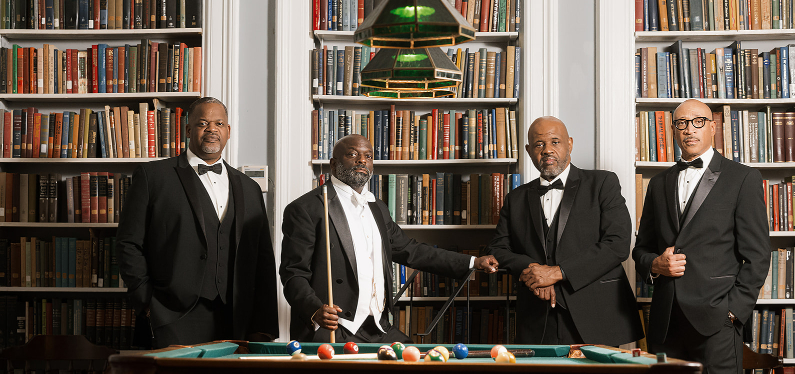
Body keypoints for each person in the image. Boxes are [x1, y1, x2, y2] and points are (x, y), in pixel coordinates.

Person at [280, 133, 499, 343]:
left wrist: (473, 262)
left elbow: (412, 250)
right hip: (334, 328)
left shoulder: (378, 208)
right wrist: (314, 310)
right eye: (353, 154)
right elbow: (293, 273)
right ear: (333, 163)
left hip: (378, 326)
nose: (362, 160)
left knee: (413, 360)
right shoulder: (306, 208)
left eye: (368, 156)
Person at [117, 97, 279, 348]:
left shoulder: (249, 188)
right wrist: (147, 302)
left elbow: (263, 258)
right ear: (188, 130)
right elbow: (128, 243)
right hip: (172, 314)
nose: (212, 129)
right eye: (203, 123)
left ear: (228, 131)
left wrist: (265, 325)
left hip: (237, 316)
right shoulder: (153, 177)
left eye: (219, 123)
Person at [633, 99, 770, 373]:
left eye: (698, 122)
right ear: (673, 130)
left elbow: (757, 255)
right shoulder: (658, 184)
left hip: (717, 322)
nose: (689, 129)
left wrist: (732, 311)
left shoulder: (743, 178)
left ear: (712, 127)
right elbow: (641, 248)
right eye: (681, 123)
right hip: (665, 322)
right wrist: (655, 264)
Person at [487, 116, 642, 345]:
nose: (547, 150)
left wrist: (557, 272)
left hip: (597, 315)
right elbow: (498, 249)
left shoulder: (602, 183)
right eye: (539, 144)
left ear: (570, 143)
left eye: (555, 142)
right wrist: (533, 271)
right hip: (538, 319)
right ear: (529, 150)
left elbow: (617, 244)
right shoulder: (515, 198)